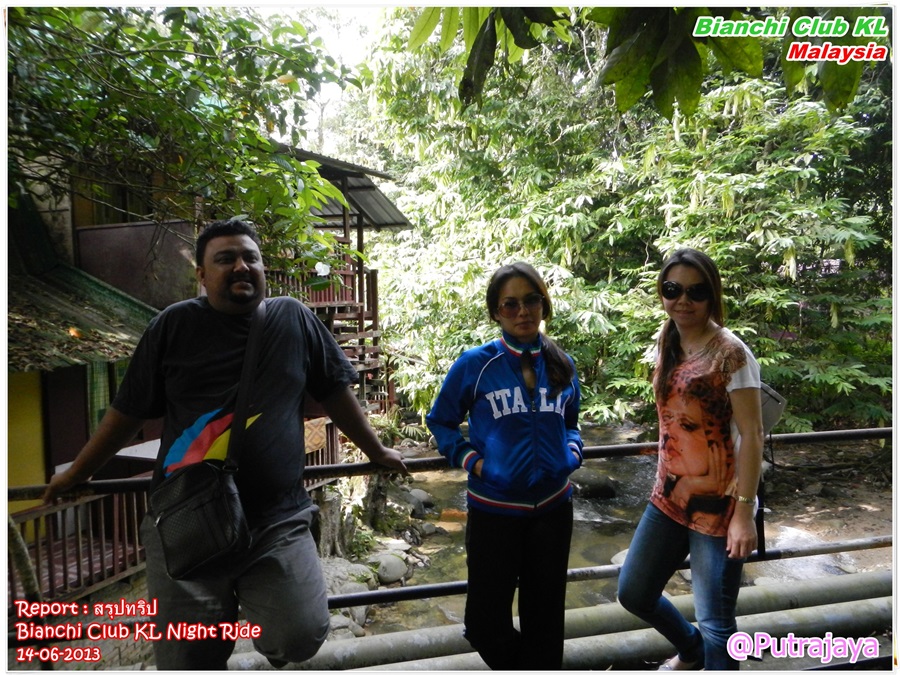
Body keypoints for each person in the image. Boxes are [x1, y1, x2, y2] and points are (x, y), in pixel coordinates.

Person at [43, 218, 407, 670]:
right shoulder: (173, 326)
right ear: (201, 274)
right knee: (189, 659)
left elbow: (335, 392)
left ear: (263, 268)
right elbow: (127, 413)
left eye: (250, 257)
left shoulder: (293, 319)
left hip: (277, 518)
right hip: (186, 519)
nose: (240, 266)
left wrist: (376, 452)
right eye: (225, 259)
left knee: (299, 633)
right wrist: (79, 472)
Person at [426, 262, 584, 670]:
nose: (522, 312)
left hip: (554, 509)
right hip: (494, 511)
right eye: (510, 304)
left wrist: (572, 453)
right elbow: (441, 421)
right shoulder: (476, 365)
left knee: (545, 621)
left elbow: (571, 422)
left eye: (531, 300)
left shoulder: (562, 363)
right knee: (484, 625)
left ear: (544, 304)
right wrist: (475, 463)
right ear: (496, 312)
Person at [617, 247, 764, 671]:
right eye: (672, 289)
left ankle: (708, 653)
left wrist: (744, 513)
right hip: (669, 496)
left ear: (712, 295)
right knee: (634, 592)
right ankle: (691, 649)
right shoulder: (668, 339)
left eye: (696, 292)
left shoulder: (731, 353)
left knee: (716, 623)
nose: (683, 300)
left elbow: (752, 434)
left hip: (721, 505)